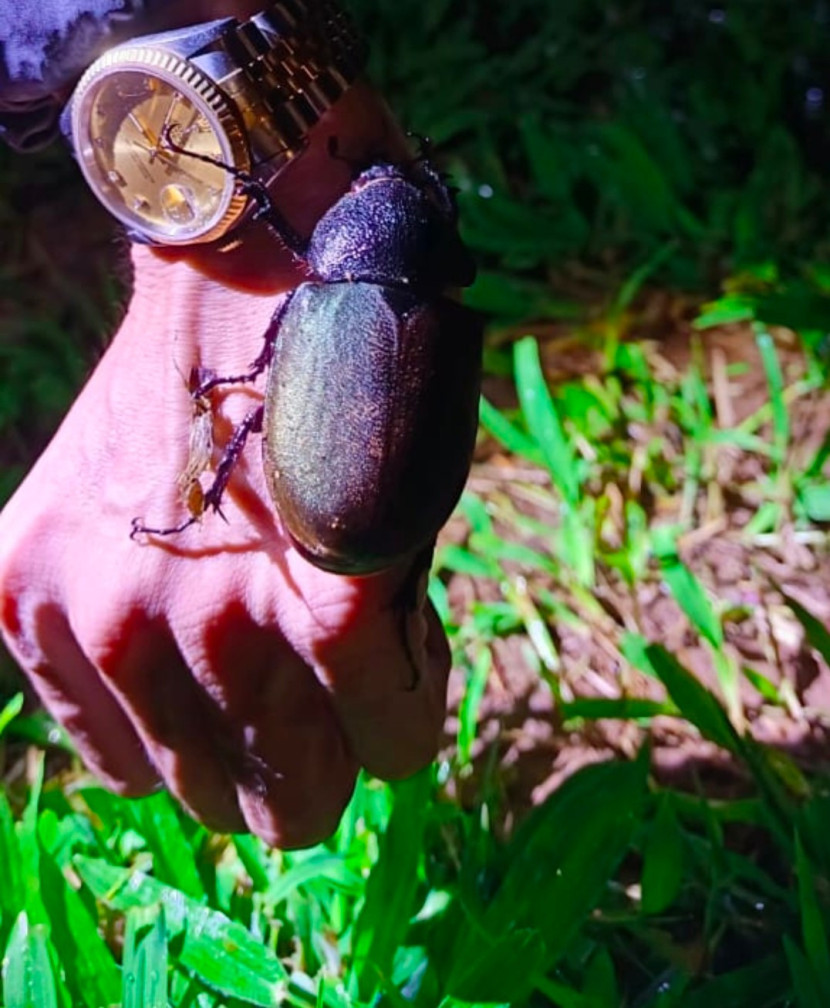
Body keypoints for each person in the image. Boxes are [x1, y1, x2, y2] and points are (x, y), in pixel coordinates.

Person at [0, 1, 451, 848]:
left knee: (261, 392)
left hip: (344, 450)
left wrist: (281, 198)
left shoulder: (330, 272)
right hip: (365, 474)